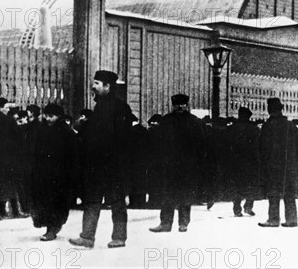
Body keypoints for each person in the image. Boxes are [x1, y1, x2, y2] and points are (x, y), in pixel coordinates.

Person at [69, 70, 136, 249]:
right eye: (94, 82)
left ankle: (119, 237)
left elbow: (123, 138)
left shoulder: (121, 108)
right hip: (97, 164)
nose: (93, 86)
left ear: (108, 86)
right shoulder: (99, 108)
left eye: (97, 83)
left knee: (117, 202)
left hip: (114, 164)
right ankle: (87, 237)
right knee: (92, 200)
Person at [148, 94, 204, 233]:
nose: (179, 107)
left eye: (182, 104)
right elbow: (158, 142)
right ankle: (165, 223)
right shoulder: (166, 121)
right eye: (177, 104)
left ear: (186, 105)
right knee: (168, 193)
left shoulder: (194, 122)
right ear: (172, 105)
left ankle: (183, 223)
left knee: (185, 193)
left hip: (187, 164)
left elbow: (201, 143)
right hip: (169, 163)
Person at [29, 104, 77, 241]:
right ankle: (48, 226)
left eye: (52, 116)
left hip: (60, 175)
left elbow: (73, 155)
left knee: (56, 203)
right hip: (43, 173)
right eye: (46, 115)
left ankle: (52, 229)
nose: (48, 119)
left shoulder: (66, 132)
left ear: (59, 117)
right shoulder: (41, 130)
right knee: (44, 201)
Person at [258, 98, 298, 228]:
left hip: (273, 164)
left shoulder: (268, 126)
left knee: (273, 192)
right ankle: (292, 219)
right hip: (289, 164)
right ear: (281, 109)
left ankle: (273, 219)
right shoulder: (291, 126)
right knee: (289, 191)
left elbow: (262, 147)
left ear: (269, 110)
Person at [222, 107, 260, 217]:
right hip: (250, 161)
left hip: (235, 161)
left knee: (237, 185)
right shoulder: (254, 129)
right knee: (251, 184)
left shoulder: (231, 128)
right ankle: (248, 207)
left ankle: (237, 209)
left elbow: (225, 144)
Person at [0, 97, 23, 218]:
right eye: (7, 107)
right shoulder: (9, 120)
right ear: (1, 108)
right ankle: (15, 211)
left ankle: (1, 211)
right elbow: (17, 137)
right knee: (11, 184)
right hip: (9, 157)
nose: (8, 109)